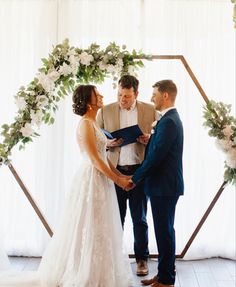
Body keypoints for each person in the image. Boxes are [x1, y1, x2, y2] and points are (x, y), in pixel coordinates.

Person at [0, 85, 133, 287]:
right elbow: (95, 160)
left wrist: (121, 177)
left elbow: (105, 158)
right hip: (90, 180)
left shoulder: (94, 123)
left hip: (101, 180)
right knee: (88, 224)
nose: (102, 96)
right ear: (89, 102)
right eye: (97, 95)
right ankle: (82, 271)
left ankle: (102, 270)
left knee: (101, 225)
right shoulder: (85, 125)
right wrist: (118, 181)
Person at [97, 75, 158, 276]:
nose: (122, 99)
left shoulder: (150, 110)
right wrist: (107, 143)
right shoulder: (105, 111)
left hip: (140, 172)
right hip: (115, 173)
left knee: (139, 218)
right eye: (120, 95)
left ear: (136, 94)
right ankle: (115, 259)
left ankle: (142, 260)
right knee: (117, 218)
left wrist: (150, 138)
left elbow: (162, 136)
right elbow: (94, 138)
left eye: (127, 96)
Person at [126, 79, 184, 287]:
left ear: (165, 95)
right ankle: (163, 275)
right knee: (165, 231)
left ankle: (166, 279)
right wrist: (150, 139)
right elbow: (160, 147)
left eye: (155, 94)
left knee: (164, 232)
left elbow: (155, 158)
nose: (152, 98)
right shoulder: (169, 119)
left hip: (164, 187)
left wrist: (134, 178)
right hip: (165, 186)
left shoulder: (168, 121)